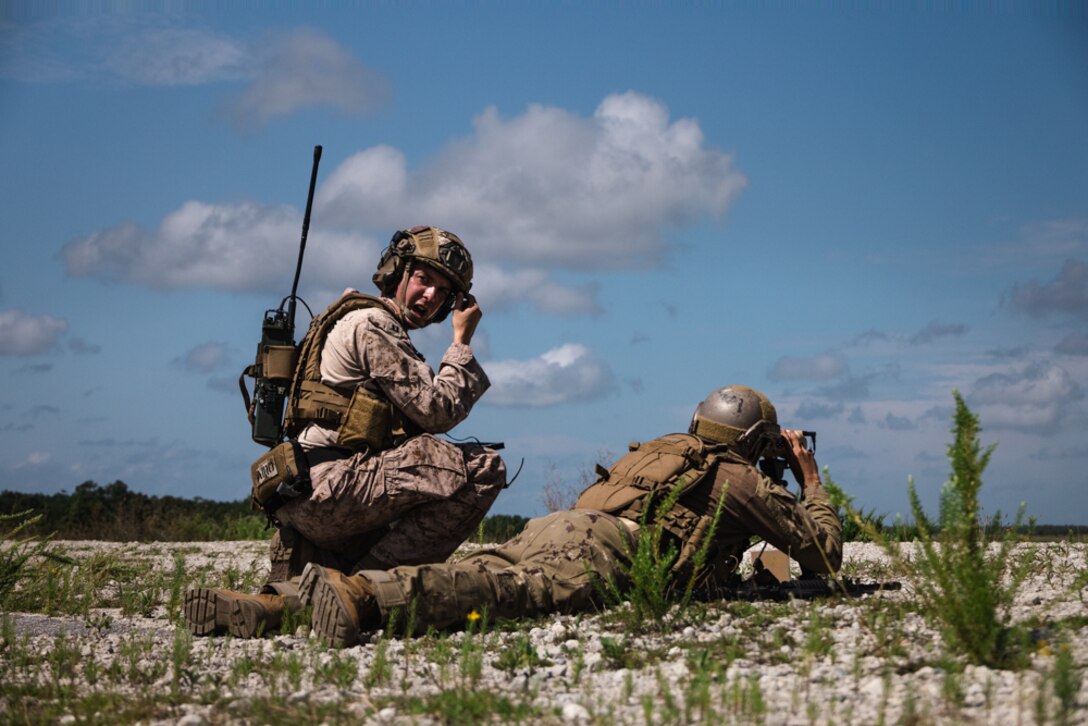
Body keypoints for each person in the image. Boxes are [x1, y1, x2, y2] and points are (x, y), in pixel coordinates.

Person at [297, 384, 843, 647]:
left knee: (484, 567)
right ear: (753, 441)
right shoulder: (737, 476)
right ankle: (363, 600)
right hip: (607, 549)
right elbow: (823, 554)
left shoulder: (667, 449)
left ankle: (278, 608)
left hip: (563, 525)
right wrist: (811, 484)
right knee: (501, 593)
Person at [185, 226, 507, 638]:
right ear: (397, 273)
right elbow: (438, 411)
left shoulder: (346, 315)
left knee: (307, 596)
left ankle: (270, 605)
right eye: (424, 280)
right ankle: (361, 593)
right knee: (482, 467)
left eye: (444, 293)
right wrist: (461, 341)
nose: (430, 297)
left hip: (301, 493)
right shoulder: (375, 325)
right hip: (335, 489)